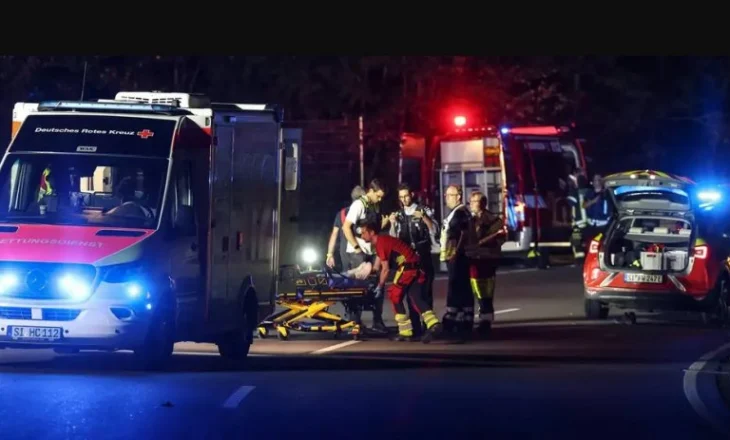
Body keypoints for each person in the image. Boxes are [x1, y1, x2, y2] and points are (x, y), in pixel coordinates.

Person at [359, 220, 442, 343]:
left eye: (363, 233)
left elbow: (385, 269)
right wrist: (371, 271)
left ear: (371, 232)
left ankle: (405, 332)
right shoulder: (382, 241)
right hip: (416, 267)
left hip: (408, 268)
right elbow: (378, 265)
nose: (361, 236)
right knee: (415, 297)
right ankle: (434, 324)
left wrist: (380, 287)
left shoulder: (381, 242)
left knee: (394, 295)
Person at [340, 179, 389, 333]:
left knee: (376, 285)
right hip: (358, 253)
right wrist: (356, 248)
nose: (380, 199)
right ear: (371, 191)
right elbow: (346, 227)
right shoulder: (358, 205)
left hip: (371, 251)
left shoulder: (374, 205)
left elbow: (373, 229)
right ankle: (354, 323)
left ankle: (377, 321)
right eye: (378, 196)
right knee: (357, 288)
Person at [388, 182, 436, 337]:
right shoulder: (399, 214)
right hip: (407, 262)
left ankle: (429, 326)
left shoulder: (424, 210)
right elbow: (393, 239)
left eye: (406, 196)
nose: (404, 200)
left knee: (425, 293)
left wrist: (425, 218)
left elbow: (435, 229)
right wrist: (393, 223)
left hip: (423, 258)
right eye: (401, 197)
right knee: (410, 294)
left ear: (412, 195)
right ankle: (415, 328)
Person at [465, 191, 505, 337]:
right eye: (471, 201)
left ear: (483, 203)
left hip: (487, 260)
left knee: (485, 292)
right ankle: (469, 319)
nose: (473, 204)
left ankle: (485, 320)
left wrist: (483, 244)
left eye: (476, 201)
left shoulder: (494, 220)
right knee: (472, 290)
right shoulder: (467, 219)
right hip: (471, 259)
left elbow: (500, 239)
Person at [440, 184, 473, 341]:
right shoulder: (458, 212)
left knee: (456, 286)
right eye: (446, 195)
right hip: (457, 255)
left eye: (450, 195)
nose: (446, 198)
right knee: (463, 287)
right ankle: (465, 318)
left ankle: (453, 318)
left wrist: (455, 252)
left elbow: (462, 234)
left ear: (458, 196)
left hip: (458, 257)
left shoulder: (459, 213)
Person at [326, 185, 366, 271]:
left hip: (344, 252)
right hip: (358, 250)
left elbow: (334, 235)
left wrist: (329, 254)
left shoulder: (341, 213)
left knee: (347, 278)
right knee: (360, 278)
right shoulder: (361, 212)